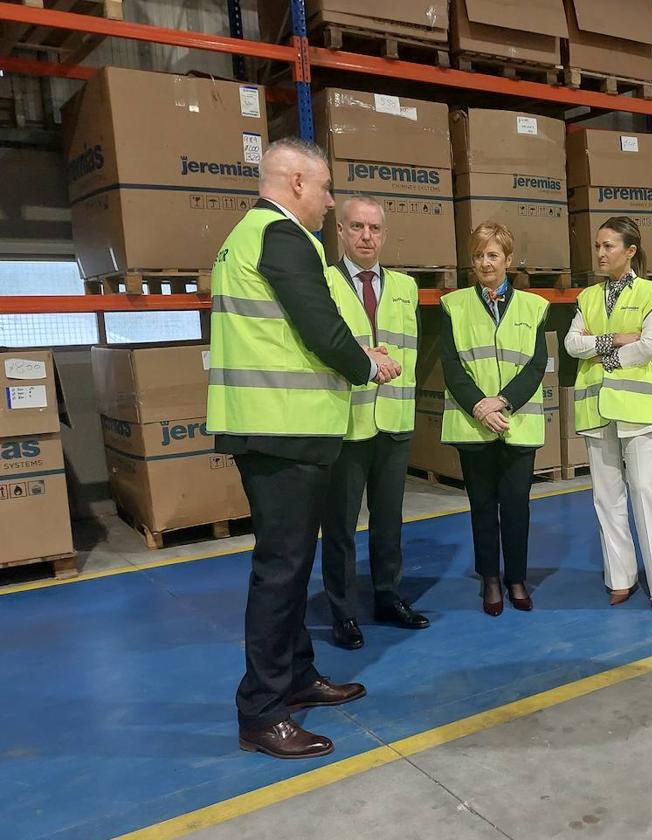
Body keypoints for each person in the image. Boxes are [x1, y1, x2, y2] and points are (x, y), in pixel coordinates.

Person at [208, 138, 401, 759]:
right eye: (323, 190)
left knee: (287, 565)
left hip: (276, 426)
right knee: (282, 570)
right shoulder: (283, 236)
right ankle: (262, 710)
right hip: (281, 427)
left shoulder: (246, 236)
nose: (328, 203)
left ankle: (294, 676)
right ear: (295, 183)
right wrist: (366, 363)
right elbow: (319, 324)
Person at [320, 194, 428, 652]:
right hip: (347, 421)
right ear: (340, 232)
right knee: (341, 524)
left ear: (384, 234)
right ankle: (343, 612)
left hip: (394, 419)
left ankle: (388, 596)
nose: (366, 236)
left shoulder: (405, 286)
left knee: (389, 520)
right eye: (357, 227)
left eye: (375, 228)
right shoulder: (323, 283)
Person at [565, 217, 652, 613]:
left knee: (645, 492)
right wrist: (614, 339)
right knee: (606, 497)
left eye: (609, 246)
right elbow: (572, 344)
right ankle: (620, 577)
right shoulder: (587, 298)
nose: (600, 253)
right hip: (597, 409)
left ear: (630, 251)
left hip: (640, 409)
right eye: (598, 245)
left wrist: (606, 357)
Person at [440, 222, 549, 616]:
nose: (485, 263)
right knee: (482, 506)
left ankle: (515, 577)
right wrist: (479, 407)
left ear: (508, 259)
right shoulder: (454, 305)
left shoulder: (534, 307)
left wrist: (501, 403)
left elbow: (536, 365)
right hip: (475, 424)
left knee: (517, 505)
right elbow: (451, 366)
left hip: (516, 423)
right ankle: (490, 578)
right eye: (478, 256)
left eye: (493, 255)